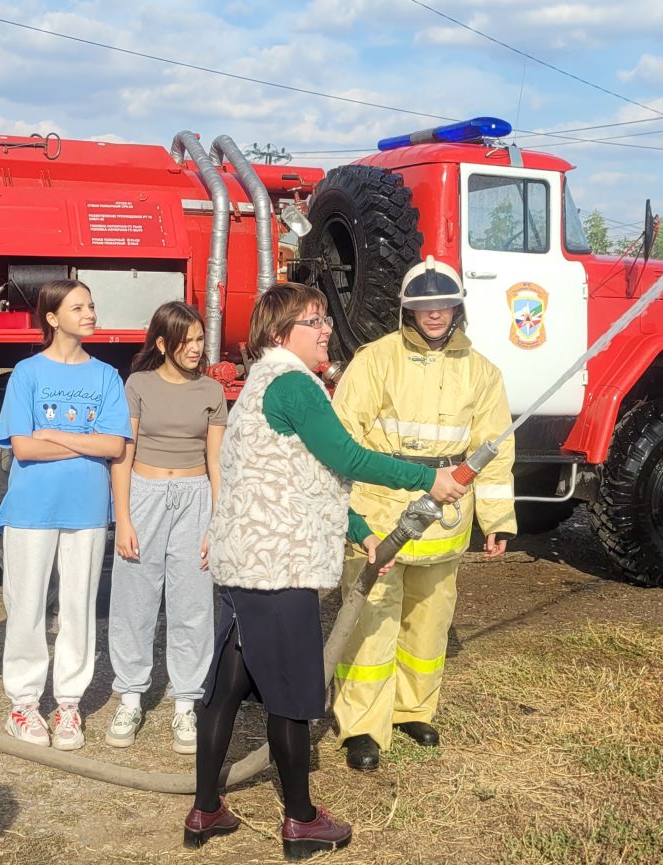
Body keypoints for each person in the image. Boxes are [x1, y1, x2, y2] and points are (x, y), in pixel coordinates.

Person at [188, 283, 467, 861]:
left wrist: (363, 533)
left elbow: (308, 479)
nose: (325, 330)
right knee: (291, 697)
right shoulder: (294, 383)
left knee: (228, 687)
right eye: (313, 321)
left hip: (248, 564)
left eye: (322, 320)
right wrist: (425, 478)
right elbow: (348, 458)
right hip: (280, 565)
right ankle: (301, 820)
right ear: (278, 334)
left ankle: (205, 809)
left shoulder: (263, 385)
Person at [331, 257, 516, 771]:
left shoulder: (482, 372)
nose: (433, 314)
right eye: (422, 306)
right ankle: (363, 727)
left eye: (442, 305)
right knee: (370, 623)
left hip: (446, 521)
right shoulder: (373, 361)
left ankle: (413, 709)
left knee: (430, 624)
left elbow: (495, 450)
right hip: (379, 515)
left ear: (457, 307)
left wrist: (498, 519)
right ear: (406, 310)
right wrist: (345, 514)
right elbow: (343, 438)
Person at [0, 279, 129, 751]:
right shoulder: (27, 373)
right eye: (79, 307)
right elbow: (24, 446)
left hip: (88, 510)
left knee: (78, 609)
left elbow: (114, 445)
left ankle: (68, 703)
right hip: (31, 511)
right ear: (52, 318)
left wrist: (56, 434)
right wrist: (78, 440)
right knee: (26, 608)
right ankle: (23, 704)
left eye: (91, 304)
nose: (90, 313)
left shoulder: (107, 376)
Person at [106, 301, 224, 754]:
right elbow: (124, 455)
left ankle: (185, 704)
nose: (196, 348)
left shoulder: (212, 392)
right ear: (162, 343)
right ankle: (131, 696)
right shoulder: (138, 384)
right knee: (134, 597)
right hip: (145, 495)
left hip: (195, 498)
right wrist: (124, 518)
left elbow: (216, 461)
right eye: (186, 341)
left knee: (192, 603)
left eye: (199, 339)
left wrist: (216, 522)